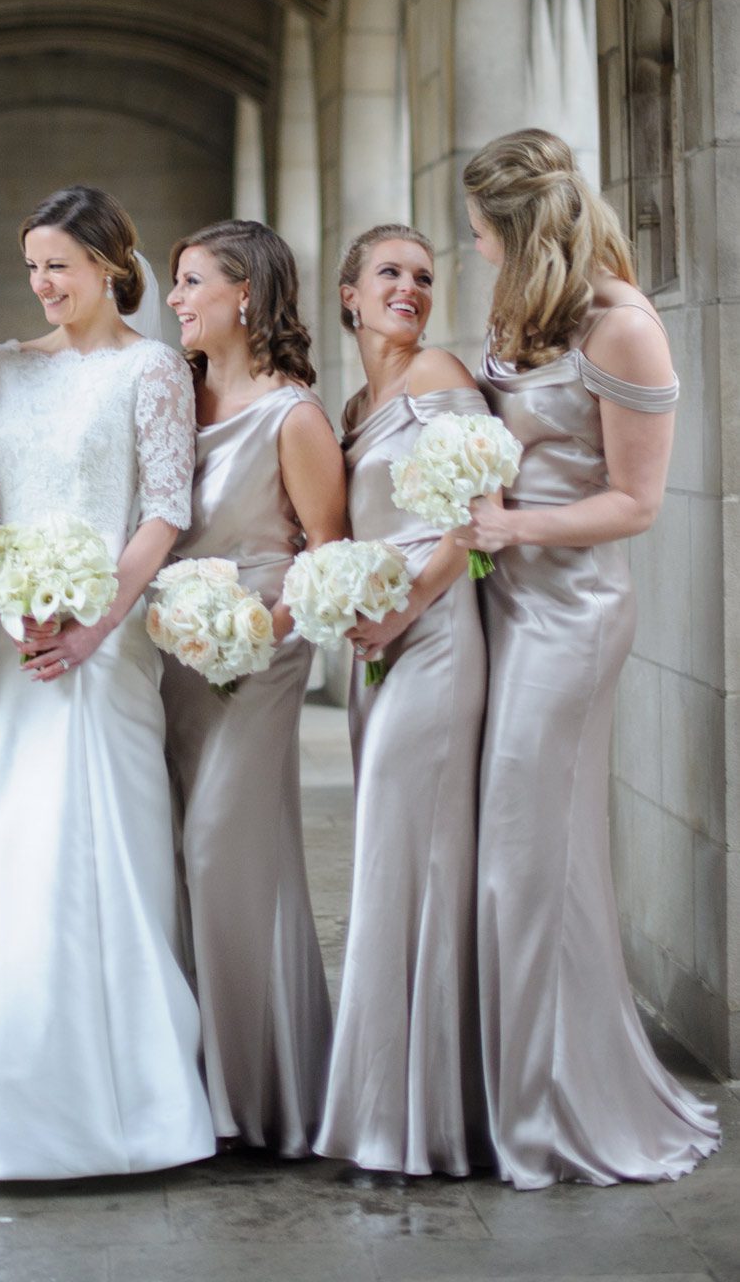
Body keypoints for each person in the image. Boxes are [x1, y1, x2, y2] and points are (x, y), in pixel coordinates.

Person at [0, 185, 214, 1179]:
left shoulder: (151, 369)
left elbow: (161, 511)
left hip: (103, 645)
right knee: (0, 847)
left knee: (92, 849)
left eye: (57, 264)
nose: (40, 283)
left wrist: (92, 620)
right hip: (6, 637)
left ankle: (123, 1101)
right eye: (30, 265)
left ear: (113, 265)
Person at [465, 129, 720, 1188]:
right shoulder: (524, 313)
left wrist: (512, 528)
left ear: (521, 232)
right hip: (501, 599)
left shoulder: (621, 327)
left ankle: (550, 1110)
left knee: (521, 858)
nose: (473, 251)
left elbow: (636, 501)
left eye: (481, 234)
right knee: (528, 853)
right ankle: (518, 1084)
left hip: (569, 613)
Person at [163, 220, 344, 1156]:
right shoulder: (173, 396)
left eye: (191, 283)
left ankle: (252, 1095)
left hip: (257, 661)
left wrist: (250, 634)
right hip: (166, 658)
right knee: (176, 861)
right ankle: (190, 1087)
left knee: (219, 851)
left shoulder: (294, 416)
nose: (174, 300)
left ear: (244, 294)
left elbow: (326, 557)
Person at [314, 224, 489, 1177]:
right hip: (372, 642)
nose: (409, 289)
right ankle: (399, 1091)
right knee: (389, 854)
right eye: (389, 273)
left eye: (423, 276)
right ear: (348, 293)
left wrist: (404, 605)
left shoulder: (437, 375)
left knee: (406, 851)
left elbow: (479, 511)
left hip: (434, 631)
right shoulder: (354, 403)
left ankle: (412, 1113)